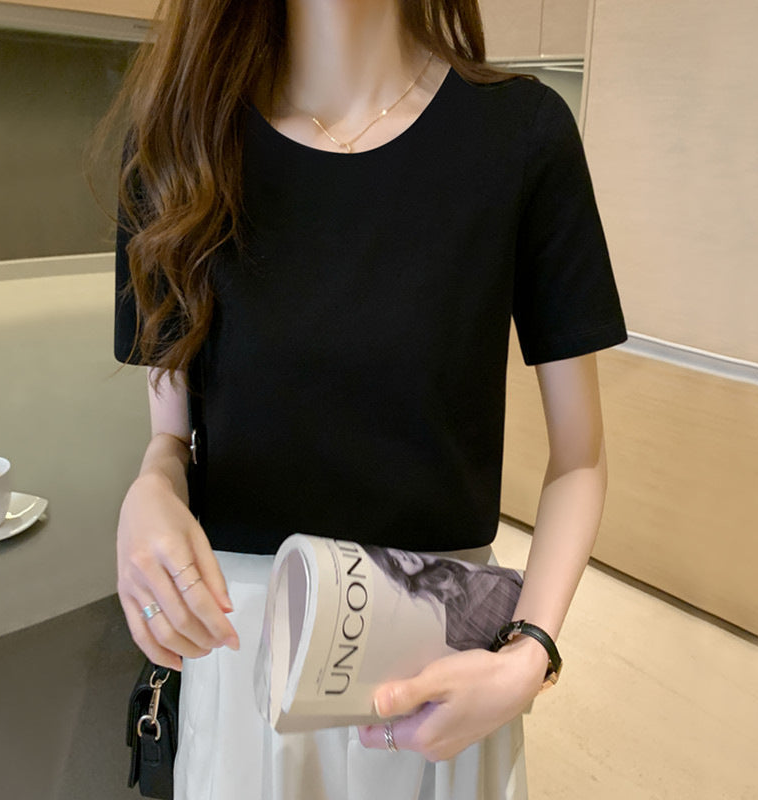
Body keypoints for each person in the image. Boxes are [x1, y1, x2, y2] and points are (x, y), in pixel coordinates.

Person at [108, 0, 627, 797]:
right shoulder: (177, 144)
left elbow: (580, 459)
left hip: (440, 670)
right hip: (245, 666)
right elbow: (169, 440)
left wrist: (531, 652)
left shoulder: (522, 136)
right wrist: (150, 488)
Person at [363, 545, 524, 651]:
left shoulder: (484, 580)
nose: (401, 558)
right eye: (395, 563)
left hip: (471, 546)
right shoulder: (453, 631)